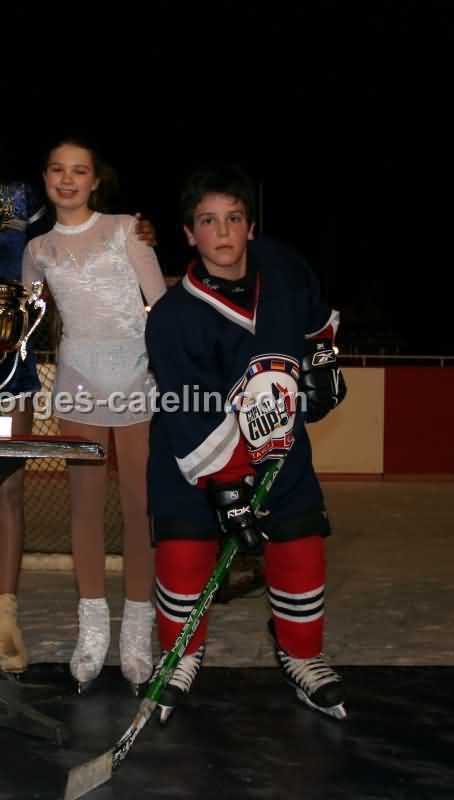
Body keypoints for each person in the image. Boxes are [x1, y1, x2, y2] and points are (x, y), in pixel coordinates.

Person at [0, 91, 157, 674]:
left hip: (19, 370)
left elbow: (53, 287)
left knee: (28, 494)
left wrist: (142, 231)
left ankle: (13, 620)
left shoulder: (19, 201)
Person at [144, 164, 348, 723]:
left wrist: (322, 362)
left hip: (279, 441)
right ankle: (181, 654)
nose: (223, 231)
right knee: (187, 549)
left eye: (233, 218)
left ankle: (301, 654)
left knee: (300, 538)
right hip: (194, 454)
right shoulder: (173, 318)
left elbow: (317, 324)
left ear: (250, 227)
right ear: (189, 234)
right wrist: (228, 489)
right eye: (208, 221)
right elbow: (188, 411)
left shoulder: (282, 268)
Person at [21, 136, 165, 693]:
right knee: (83, 510)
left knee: (139, 508)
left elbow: (162, 307)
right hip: (78, 380)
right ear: (45, 178)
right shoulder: (37, 249)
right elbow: (27, 322)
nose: (67, 179)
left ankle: (137, 633)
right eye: (57, 169)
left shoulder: (128, 229)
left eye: (78, 170)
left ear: (95, 180)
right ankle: (92, 633)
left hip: (136, 379)